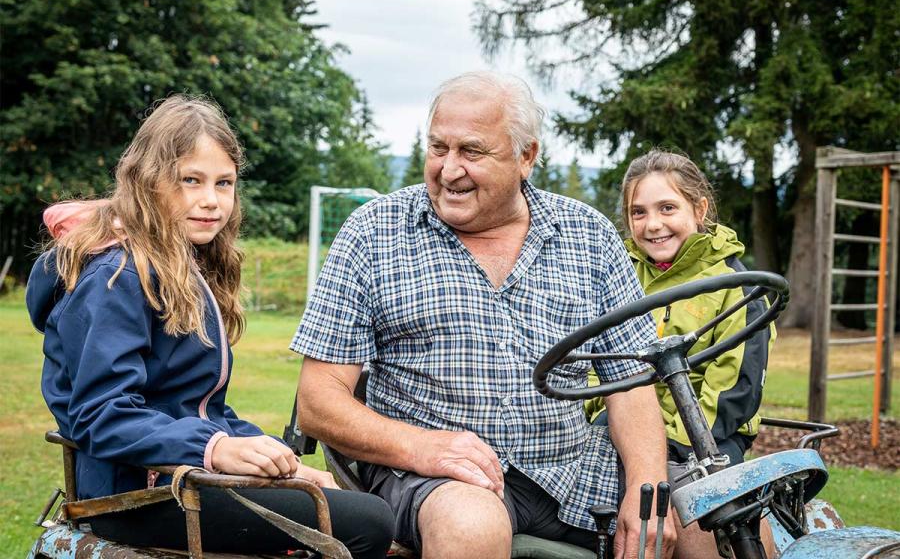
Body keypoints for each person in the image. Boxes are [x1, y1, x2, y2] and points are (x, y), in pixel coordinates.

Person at [292, 71, 679, 559]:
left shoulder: (590, 236)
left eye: (471, 152)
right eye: (438, 148)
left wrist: (648, 491)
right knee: (471, 524)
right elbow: (318, 401)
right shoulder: (374, 233)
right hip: (431, 476)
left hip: (573, 468)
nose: (449, 169)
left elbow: (630, 384)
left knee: (707, 516)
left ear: (526, 157)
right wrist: (422, 448)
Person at [26, 95, 393, 558]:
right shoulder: (115, 276)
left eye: (224, 183)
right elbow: (101, 415)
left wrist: (268, 456)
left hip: (184, 478)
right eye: (190, 181)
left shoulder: (182, 263)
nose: (210, 201)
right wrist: (216, 448)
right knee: (366, 523)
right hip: (134, 495)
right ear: (148, 182)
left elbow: (197, 409)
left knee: (346, 501)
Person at [587, 149, 776, 557]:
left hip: (704, 441)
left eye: (667, 208)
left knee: (690, 506)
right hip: (621, 434)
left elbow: (732, 395)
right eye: (638, 213)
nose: (652, 224)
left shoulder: (734, 287)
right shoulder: (615, 278)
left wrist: (668, 450)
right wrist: (608, 424)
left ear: (700, 208)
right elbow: (591, 366)